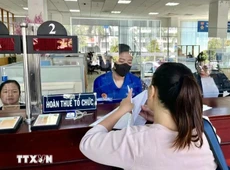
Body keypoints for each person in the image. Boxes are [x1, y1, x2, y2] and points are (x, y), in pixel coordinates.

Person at [80, 62, 217, 170]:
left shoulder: (137, 141)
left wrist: (121, 110)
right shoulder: (204, 129)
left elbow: (88, 143)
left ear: (152, 92)